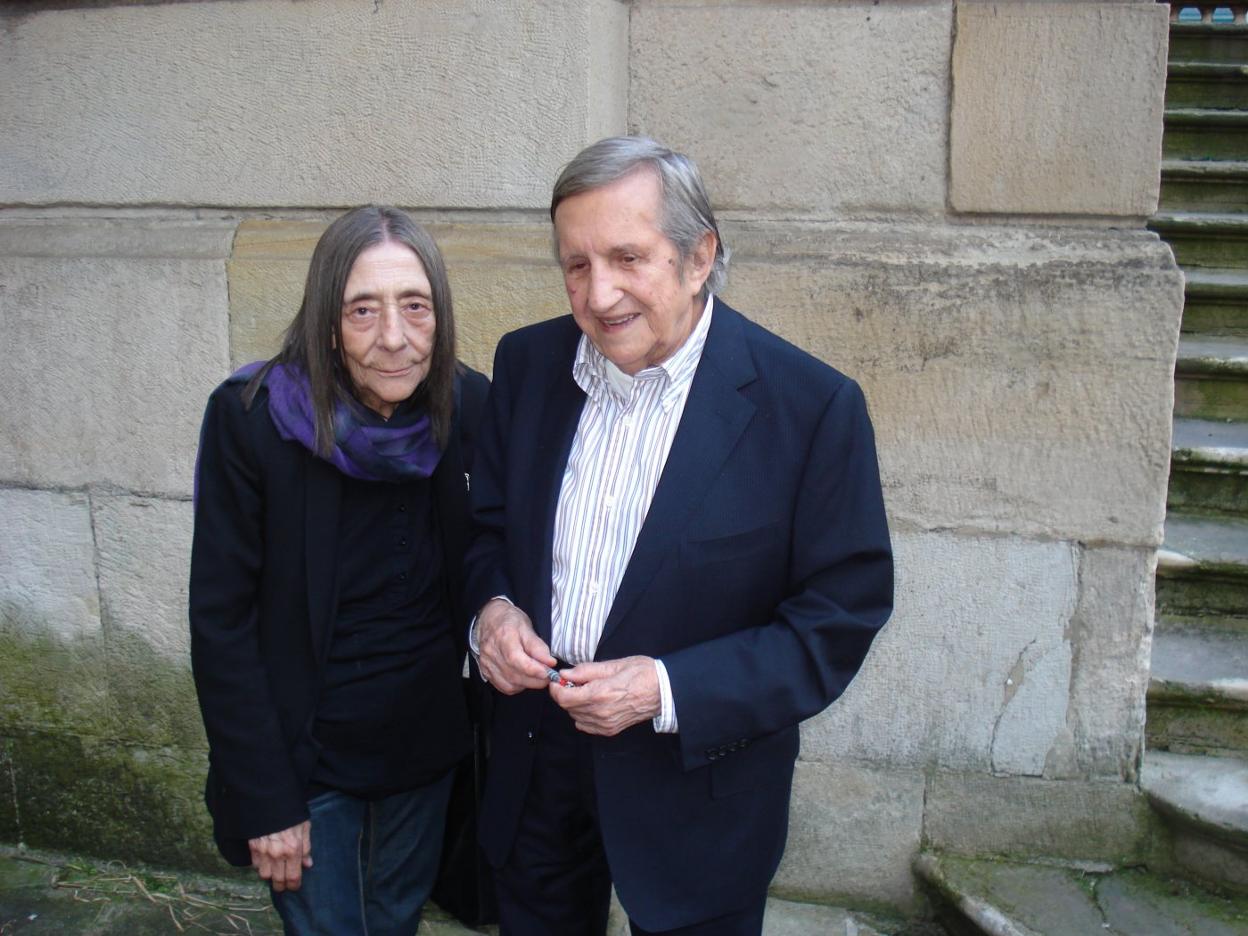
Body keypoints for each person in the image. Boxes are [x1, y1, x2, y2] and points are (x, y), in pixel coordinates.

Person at [464, 136, 894, 936]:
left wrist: (664, 691)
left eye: (628, 257)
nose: (599, 294)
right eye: (576, 265)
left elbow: (838, 618)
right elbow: (485, 527)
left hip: (701, 789)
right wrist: (490, 609)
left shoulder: (810, 408)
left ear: (700, 257)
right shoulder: (526, 365)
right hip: (537, 767)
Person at [189, 205, 488, 935]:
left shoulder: (469, 406)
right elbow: (221, 623)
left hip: (423, 756)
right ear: (327, 322)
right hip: (307, 767)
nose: (395, 337)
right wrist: (267, 799)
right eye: (364, 310)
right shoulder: (256, 421)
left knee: (394, 920)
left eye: (415, 307)